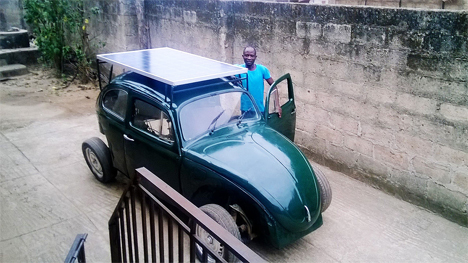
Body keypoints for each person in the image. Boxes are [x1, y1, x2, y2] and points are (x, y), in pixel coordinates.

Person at [239, 46, 282, 118]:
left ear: (255, 57)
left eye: (251, 56)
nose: (249, 58)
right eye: (247, 55)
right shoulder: (239, 70)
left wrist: (277, 105)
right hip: (245, 110)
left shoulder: (262, 69)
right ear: (243, 56)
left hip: (260, 109)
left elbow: (274, 86)